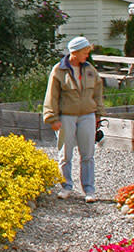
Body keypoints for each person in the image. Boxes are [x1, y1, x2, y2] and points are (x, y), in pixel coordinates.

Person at [42, 35, 105, 202]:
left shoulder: (90, 69)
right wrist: (52, 118)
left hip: (87, 116)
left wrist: (98, 114)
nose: (87, 55)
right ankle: (66, 186)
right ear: (75, 52)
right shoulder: (58, 70)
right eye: (85, 52)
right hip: (66, 117)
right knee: (65, 154)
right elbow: (52, 96)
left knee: (88, 154)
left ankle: (89, 190)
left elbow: (98, 93)